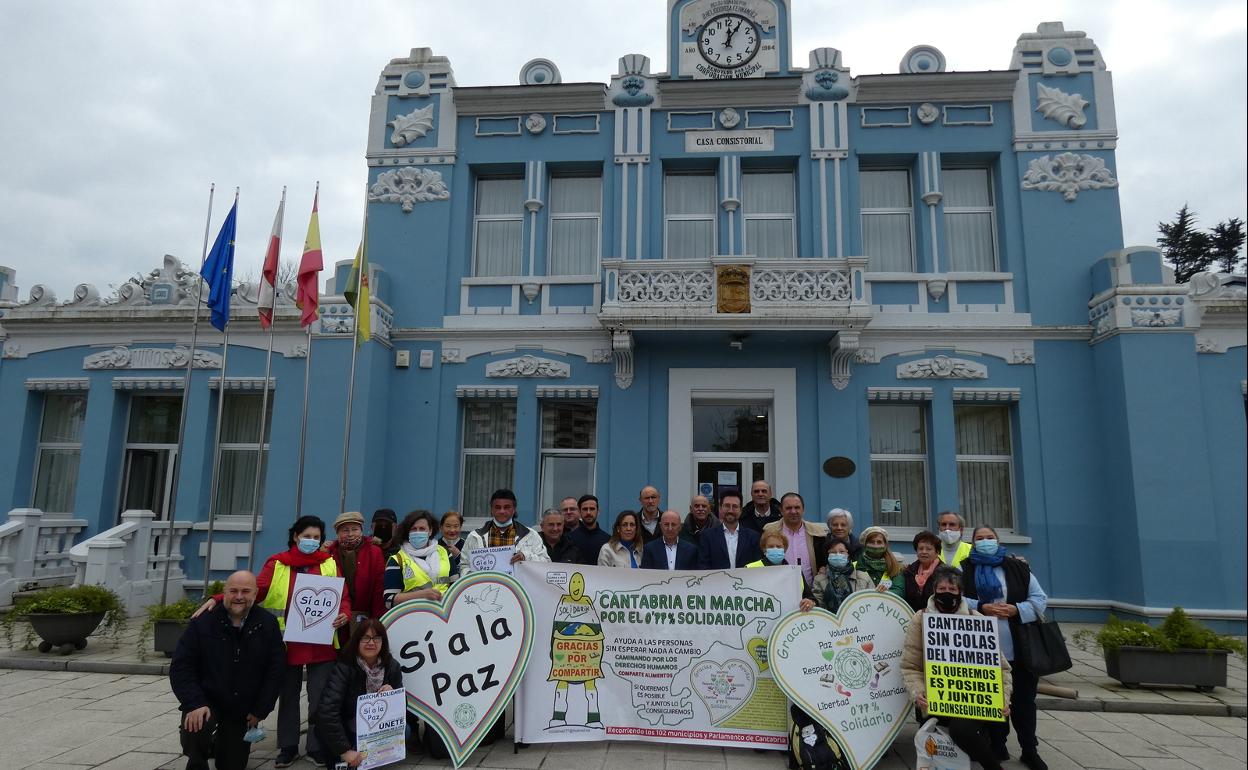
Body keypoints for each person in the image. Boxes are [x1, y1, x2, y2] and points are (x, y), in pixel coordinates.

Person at [197, 516, 352, 768]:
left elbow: (342, 596)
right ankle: (288, 746)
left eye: (316, 537)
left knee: (320, 698)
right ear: (295, 536)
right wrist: (218, 598)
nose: (311, 541)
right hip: (285, 644)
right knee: (287, 697)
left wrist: (344, 612)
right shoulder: (278, 563)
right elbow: (254, 590)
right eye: (307, 536)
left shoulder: (330, 563)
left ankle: (316, 745)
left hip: (321, 642)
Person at [901, 565, 1013, 770]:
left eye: (952, 590)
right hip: (936, 696)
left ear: (960, 592)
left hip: (975, 698)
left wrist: (1003, 698)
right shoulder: (921, 618)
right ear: (934, 590)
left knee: (962, 731)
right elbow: (910, 666)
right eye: (942, 589)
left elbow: (1002, 668)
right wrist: (918, 692)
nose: (947, 594)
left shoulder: (977, 619)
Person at [170, 570, 284, 770]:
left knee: (231, 764)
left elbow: (275, 671)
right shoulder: (203, 622)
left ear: (256, 594)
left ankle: (220, 745)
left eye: (246, 591)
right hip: (207, 700)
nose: (239, 596)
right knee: (197, 725)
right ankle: (197, 759)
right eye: (234, 591)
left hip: (241, 707)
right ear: (224, 592)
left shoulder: (267, 624)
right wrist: (195, 703)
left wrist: (260, 710)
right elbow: (181, 667)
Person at [961, 525, 1050, 770]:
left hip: (1019, 647)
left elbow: (1039, 599)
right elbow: (956, 599)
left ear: (998, 540)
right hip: (983, 649)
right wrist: (982, 606)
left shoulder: (1018, 568)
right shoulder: (965, 569)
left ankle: (1029, 749)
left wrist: (1016, 609)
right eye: (980, 538)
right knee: (992, 699)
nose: (985, 542)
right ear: (973, 543)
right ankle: (998, 744)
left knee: (1023, 701)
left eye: (990, 538)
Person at [315, 619, 404, 769]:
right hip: (347, 726)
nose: (371, 642)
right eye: (365, 638)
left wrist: (393, 694)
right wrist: (344, 751)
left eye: (376, 638)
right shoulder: (344, 667)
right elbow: (327, 712)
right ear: (357, 641)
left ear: (383, 642)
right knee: (343, 757)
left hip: (374, 729)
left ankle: (375, 754)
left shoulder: (392, 666)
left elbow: (402, 709)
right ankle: (348, 753)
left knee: (405, 731)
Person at [460, 489, 550, 576]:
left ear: (514, 509)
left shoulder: (530, 535)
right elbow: (464, 566)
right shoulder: (475, 536)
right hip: (485, 589)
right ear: (491, 509)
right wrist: (475, 578)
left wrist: (525, 556)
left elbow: (546, 564)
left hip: (519, 590)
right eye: (497, 507)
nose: (502, 511)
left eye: (507, 507)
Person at [325, 511, 386, 628]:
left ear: (361, 531)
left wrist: (377, 619)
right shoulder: (329, 553)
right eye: (345, 530)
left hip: (365, 616)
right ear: (337, 533)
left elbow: (379, 587)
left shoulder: (374, 552)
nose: (350, 534)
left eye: (355, 529)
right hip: (336, 617)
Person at [384, 510, 451, 609]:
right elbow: (389, 601)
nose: (417, 532)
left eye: (422, 528)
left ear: (430, 531)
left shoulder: (445, 553)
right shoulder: (397, 560)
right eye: (413, 529)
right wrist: (421, 595)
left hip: (443, 616)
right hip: (413, 617)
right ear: (408, 532)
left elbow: (455, 587)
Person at [762, 492, 827, 586]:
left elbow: (823, 562)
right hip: (777, 588)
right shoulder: (769, 530)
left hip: (811, 593)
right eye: (788, 508)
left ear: (803, 509)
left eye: (797, 507)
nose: (793, 511)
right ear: (781, 510)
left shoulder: (817, 533)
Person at [747, 531, 815, 611]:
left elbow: (809, 597)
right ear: (764, 549)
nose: (775, 549)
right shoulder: (750, 569)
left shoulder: (795, 571)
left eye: (779, 547)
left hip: (787, 620)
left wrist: (810, 602)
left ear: (785, 549)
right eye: (771, 546)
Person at [697, 490, 761, 569]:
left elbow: (757, 567)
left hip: (746, 580)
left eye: (735, 506)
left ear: (741, 510)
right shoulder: (707, 536)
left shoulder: (753, 537)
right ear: (720, 508)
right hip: (716, 581)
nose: (730, 510)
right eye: (727, 506)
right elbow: (703, 566)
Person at [812, 539, 873, 614]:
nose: (838, 554)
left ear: (848, 554)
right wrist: (812, 603)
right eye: (833, 552)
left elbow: (872, 600)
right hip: (830, 621)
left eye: (842, 552)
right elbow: (817, 603)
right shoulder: (819, 579)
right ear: (827, 556)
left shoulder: (863, 577)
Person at [854, 526, 906, 601]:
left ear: (885, 545)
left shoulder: (896, 567)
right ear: (865, 545)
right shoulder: (855, 566)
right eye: (871, 542)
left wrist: (886, 593)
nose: (875, 546)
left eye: (879, 542)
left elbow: (899, 591)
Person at [903, 530, 942, 612]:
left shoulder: (945, 573)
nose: (924, 552)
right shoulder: (909, 572)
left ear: (937, 552)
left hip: (935, 619)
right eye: (920, 549)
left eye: (928, 549)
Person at [568, 494, 610, 566]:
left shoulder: (608, 540)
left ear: (598, 511)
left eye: (592, 509)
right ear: (579, 511)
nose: (588, 512)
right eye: (585, 509)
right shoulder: (569, 538)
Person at [439, 510, 466, 583]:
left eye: (456, 526)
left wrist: (458, 556)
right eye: (448, 526)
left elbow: (469, 571)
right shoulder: (435, 546)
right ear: (441, 527)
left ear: (461, 527)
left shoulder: (466, 545)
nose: (452, 530)